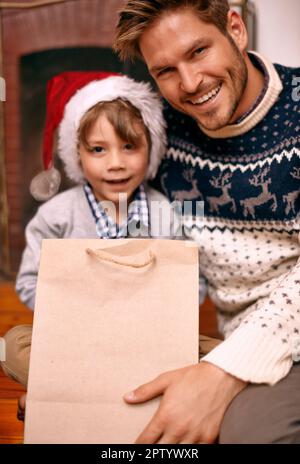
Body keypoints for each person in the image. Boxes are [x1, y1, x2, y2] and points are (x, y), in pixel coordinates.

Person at [114, 0, 300, 444]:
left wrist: (224, 372)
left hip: (285, 333)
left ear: (235, 29)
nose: (190, 84)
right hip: (226, 335)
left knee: (253, 435)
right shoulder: (161, 131)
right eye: (166, 71)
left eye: (198, 51)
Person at [0, 70, 191, 411]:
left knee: (214, 353)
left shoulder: (164, 212)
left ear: (152, 148)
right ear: (78, 155)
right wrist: (80, 306)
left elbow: (187, 284)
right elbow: (29, 282)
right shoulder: (56, 216)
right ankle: (129, 390)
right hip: (78, 337)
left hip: (147, 338)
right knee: (14, 345)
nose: (116, 163)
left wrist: (156, 315)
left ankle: (71, 391)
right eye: (99, 149)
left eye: (129, 147)